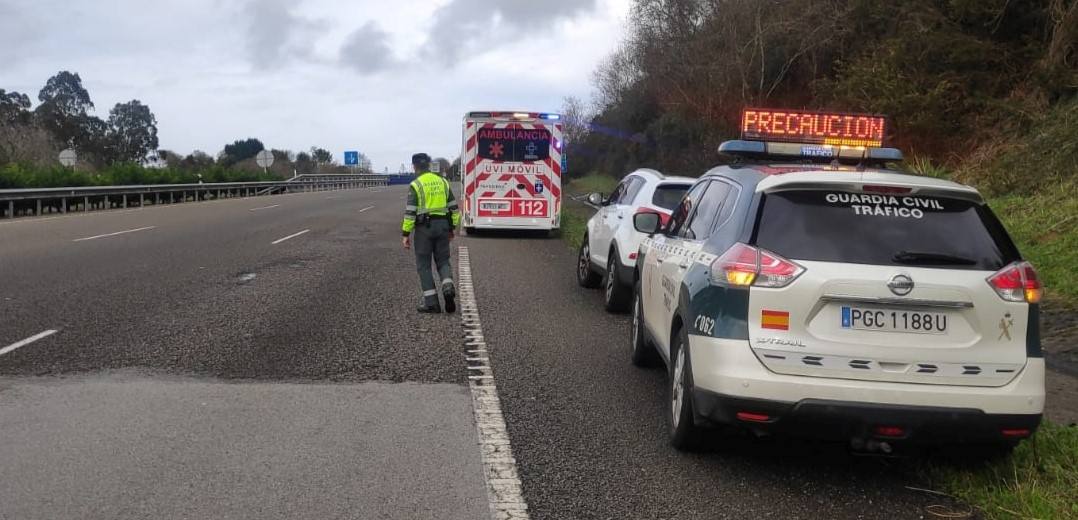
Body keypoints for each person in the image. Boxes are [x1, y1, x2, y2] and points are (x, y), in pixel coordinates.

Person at [402, 153, 460, 313]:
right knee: (443, 261)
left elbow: (410, 212)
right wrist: (451, 228)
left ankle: (432, 303)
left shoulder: (416, 184)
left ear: (414, 166)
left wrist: (406, 233)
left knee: (424, 266)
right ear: (429, 165)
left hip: (423, 229)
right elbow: (454, 208)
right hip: (442, 226)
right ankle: (447, 287)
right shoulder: (443, 182)